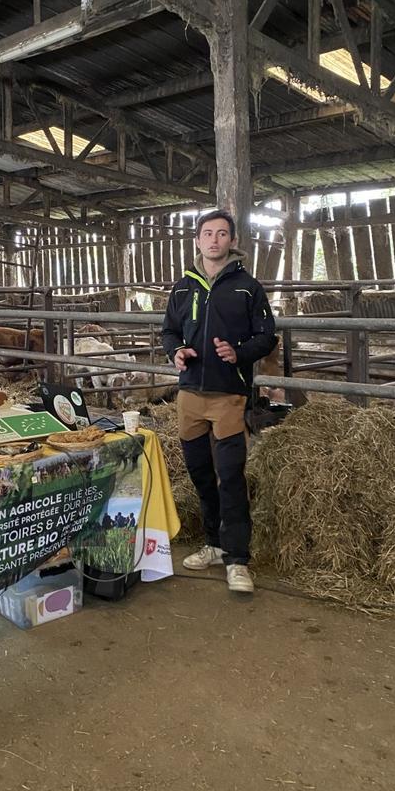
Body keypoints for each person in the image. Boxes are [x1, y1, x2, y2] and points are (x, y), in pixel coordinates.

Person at [161, 209, 277, 594]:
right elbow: (168, 331)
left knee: (230, 476)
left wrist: (239, 353)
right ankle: (213, 543)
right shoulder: (183, 287)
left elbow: (267, 335)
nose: (214, 239)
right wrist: (175, 351)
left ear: (231, 241)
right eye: (207, 233)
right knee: (200, 474)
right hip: (190, 396)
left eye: (221, 233)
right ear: (197, 240)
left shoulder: (247, 287)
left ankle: (238, 559)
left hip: (228, 396)